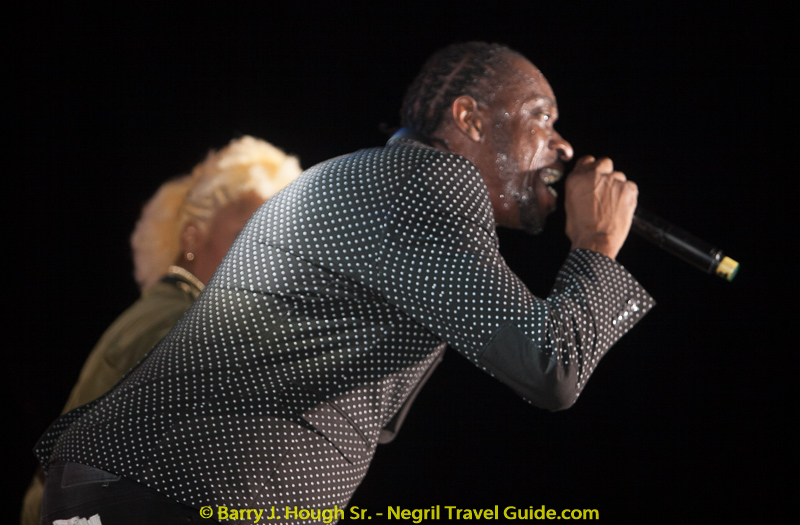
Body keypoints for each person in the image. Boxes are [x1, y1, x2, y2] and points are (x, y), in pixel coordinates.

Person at [35, 42, 654, 524]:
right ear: (468, 117)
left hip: (129, 485)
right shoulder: (432, 178)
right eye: (542, 118)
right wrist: (598, 241)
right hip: (184, 491)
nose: (563, 146)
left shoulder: (373, 181)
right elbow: (550, 364)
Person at [21, 136, 301, 525]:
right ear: (192, 236)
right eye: (247, 236)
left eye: (277, 245)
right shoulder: (179, 324)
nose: (264, 259)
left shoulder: (169, 310)